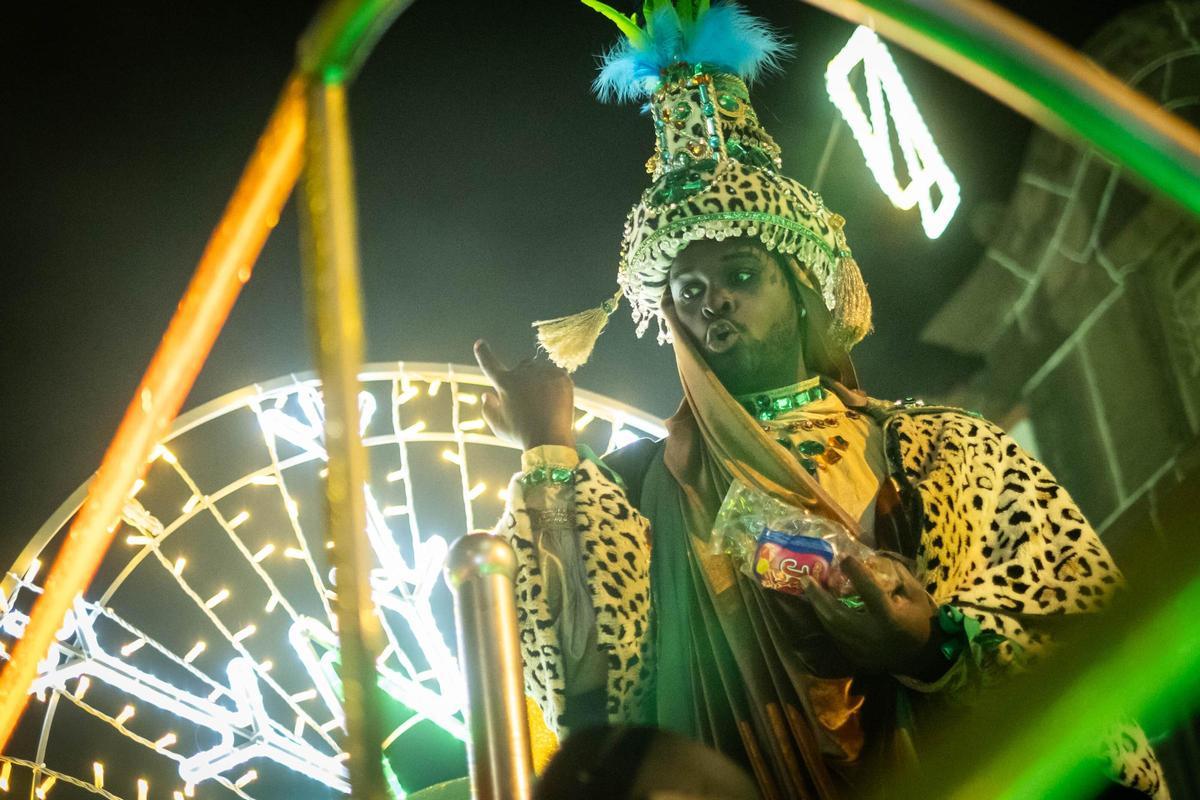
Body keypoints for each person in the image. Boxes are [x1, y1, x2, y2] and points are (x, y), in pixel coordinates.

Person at [474, 2, 1167, 797]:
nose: (713, 305)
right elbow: (581, 695)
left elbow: (1084, 647)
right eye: (689, 290)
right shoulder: (635, 488)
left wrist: (930, 647)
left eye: (740, 275)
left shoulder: (946, 451)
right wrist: (549, 454)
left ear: (802, 288)